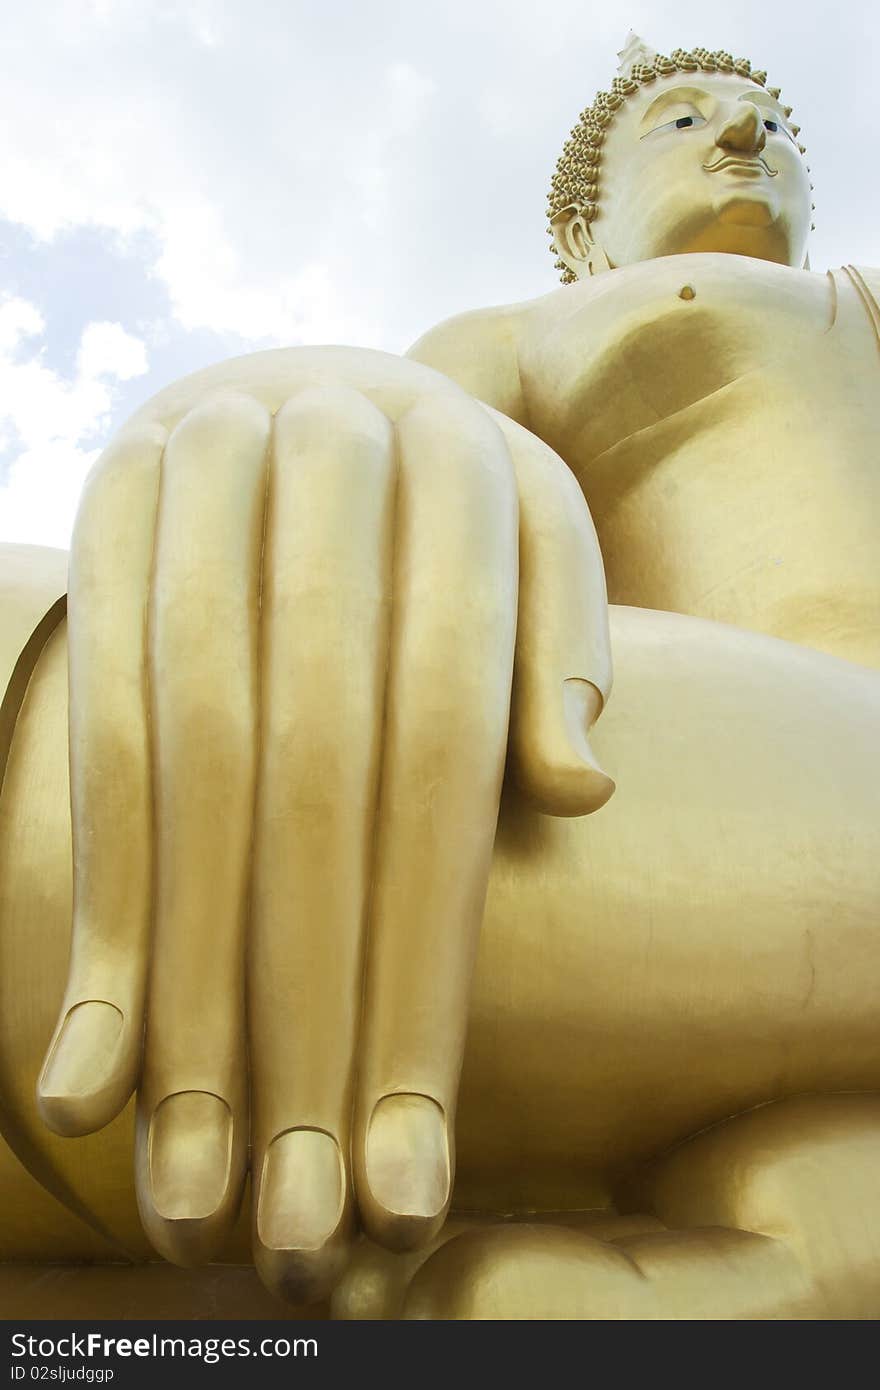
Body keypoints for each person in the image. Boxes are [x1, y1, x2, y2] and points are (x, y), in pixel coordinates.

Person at [0, 36, 878, 1319]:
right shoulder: (522, 331)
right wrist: (314, 410)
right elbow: (395, 451)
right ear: (582, 229)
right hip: (630, 772)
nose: (741, 138)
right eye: (683, 119)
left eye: (769, 123)